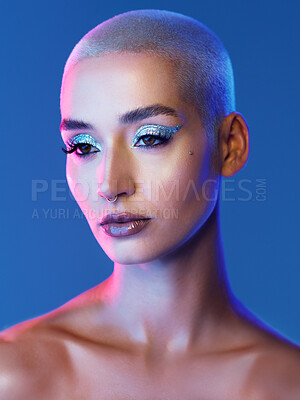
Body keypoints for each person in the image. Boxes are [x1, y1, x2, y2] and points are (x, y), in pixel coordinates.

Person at [1, 9, 299, 399]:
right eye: (84, 146)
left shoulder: (287, 385)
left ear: (230, 146)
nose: (109, 184)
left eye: (150, 138)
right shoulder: (13, 374)